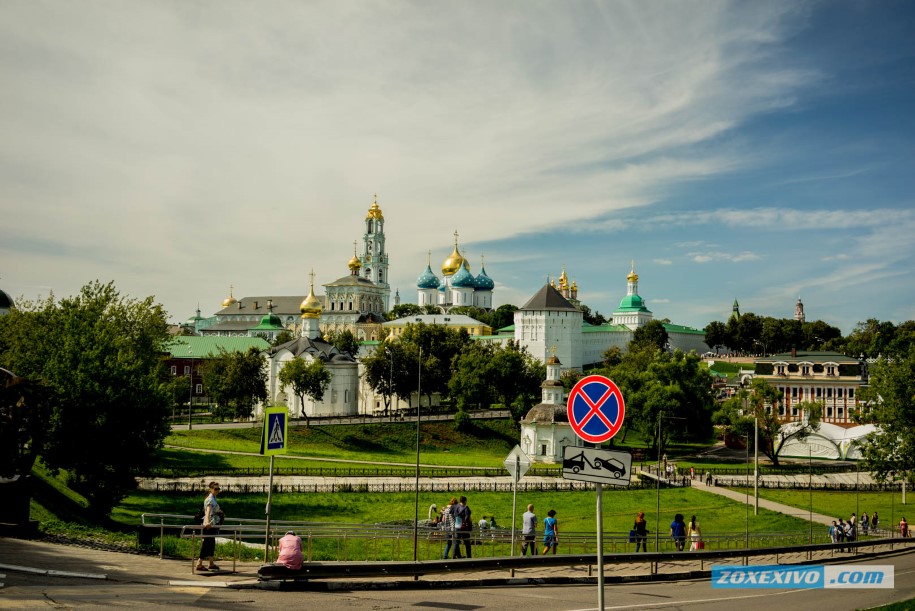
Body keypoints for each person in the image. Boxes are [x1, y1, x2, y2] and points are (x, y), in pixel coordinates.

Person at [195, 481, 222, 571]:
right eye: (215, 489)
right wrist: (207, 523)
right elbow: (207, 512)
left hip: (212, 524)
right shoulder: (210, 499)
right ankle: (199, 563)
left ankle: (211, 563)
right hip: (209, 525)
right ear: (210, 489)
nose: (217, 490)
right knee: (207, 543)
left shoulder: (213, 498)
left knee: (211, 542)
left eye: (218, 489)